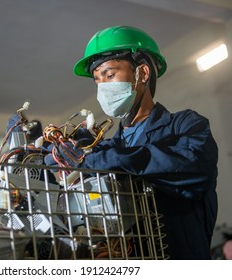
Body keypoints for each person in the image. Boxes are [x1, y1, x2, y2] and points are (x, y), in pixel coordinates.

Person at [71, 25, 219, 260]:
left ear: (143, 73)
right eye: (97, 81)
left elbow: (195, 169)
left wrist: (117, 157)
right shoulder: (112, 147)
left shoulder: (184, 125)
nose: (103, 87)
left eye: (109, 75)